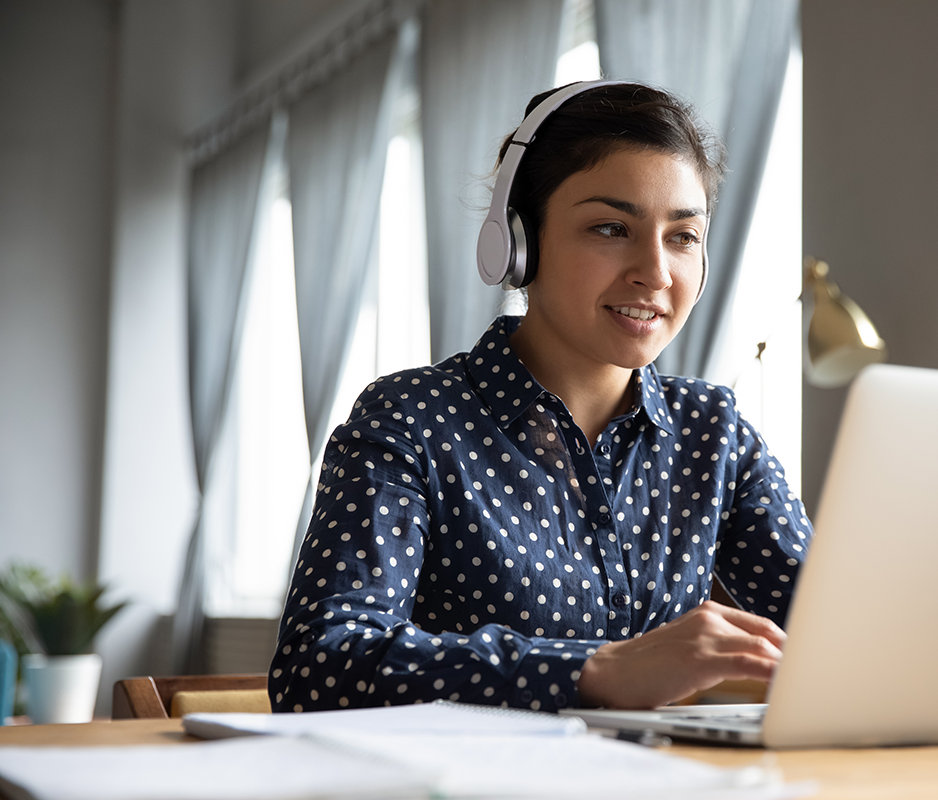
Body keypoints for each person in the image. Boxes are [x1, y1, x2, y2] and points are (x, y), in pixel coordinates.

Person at [270, 81, 812, 714]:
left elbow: (838, 630)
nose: (657, 272)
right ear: (520, 244)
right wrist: (597, 670)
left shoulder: (713, 432)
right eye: (612, 228)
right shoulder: (412, 421)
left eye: (684, 236)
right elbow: (319, 667)